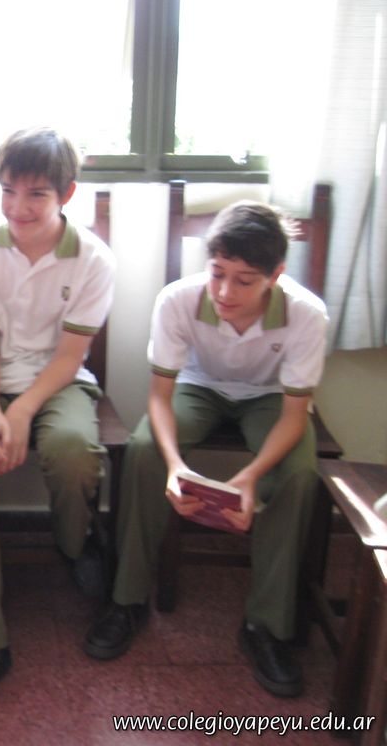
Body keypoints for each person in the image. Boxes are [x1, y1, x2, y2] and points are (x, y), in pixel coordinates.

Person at [83, 201, 328, 699]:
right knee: (144, 451)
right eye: (217, 273)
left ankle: (265, 626)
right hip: (200, 387)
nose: (224, 292)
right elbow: (160, 397)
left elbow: (295, 414)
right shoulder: (178, 300)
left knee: (299, 475)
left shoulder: (306, 314)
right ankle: (127, 601)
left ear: (275, 275)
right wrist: (175, 467)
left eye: (244, 281)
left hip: (270, 398)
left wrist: (251, 476)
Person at [0, 126, 116, 716]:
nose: (18, 207)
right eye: (8, 191)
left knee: (72, 451)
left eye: (36, 194)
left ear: (66, 193)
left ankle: (76, 542)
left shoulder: (93, 259)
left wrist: (21, 411)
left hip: (57, 381)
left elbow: (70, 357)